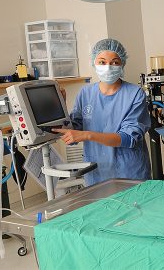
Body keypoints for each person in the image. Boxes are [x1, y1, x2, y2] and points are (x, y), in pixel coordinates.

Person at [54, 39, 151, 186]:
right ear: (94, 63)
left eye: (114, 62)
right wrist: (60, 106)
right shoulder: (85, 93)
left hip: (129, 173)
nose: (108, 67)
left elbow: (128, 138)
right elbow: (74, 130)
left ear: (122, 64)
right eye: (102, 62)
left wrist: (87, 135)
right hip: (96, 173)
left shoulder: (134, 94)